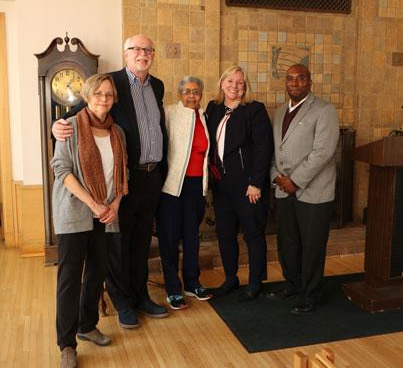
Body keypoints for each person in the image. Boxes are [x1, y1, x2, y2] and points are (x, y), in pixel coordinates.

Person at [52, 35, 169, 329]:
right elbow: (85, 104)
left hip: (151, 176)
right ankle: (122, 301)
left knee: (142, 241)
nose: (142, 54)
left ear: (153, 55)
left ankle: (141, 295)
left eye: (148, 50)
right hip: (122, 178)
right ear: (126, 54)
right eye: (136, 50)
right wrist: (60, 122)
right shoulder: (112, 83)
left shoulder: (157, 85)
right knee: (117, 244)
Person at [50, 73, 128, 367]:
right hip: (76, 211)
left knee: (97, 273)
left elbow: (123, 175)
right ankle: (66, 344)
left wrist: (115, 205)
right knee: (69, 279)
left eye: (108, 94)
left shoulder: (117, 133)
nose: (104, 99)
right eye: (98, 94)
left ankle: (87, 325)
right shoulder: (69, 128)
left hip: (106, 213)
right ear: (87, 96)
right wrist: (94, 204)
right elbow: (62, 170)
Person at [267, 64, 339, 315]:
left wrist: (295, 181)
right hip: (283, 190)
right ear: (285, 83)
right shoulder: (278, 112)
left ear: (309, 81)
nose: (295, 83)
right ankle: (292, 284)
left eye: (300, 78)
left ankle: (310, 294)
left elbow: (324, 152)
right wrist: (277, 177)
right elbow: (275, 151)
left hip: (313, 191)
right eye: (290, 79)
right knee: (288, 242)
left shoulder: (324, 110)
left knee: (312, 245)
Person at [206, 66, 273, 301]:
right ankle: (230, 278)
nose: (235, 86)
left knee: (253, 233)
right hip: (221, 184)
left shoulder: (254, 110)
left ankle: (255, 281)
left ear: (246, 87)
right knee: (225, 233)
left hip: (248, 184)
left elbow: (263, 148)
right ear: (222, 83)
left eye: (240, 83)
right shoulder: (213, 109)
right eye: (230, 81)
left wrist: (256, 182)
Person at [156, 76, 212, 310]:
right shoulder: (169, 113)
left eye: (196, 92)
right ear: (179, 94)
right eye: (187, 91)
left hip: (196, 186)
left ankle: (192, 282)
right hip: (171, 187)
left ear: (201, 95)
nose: (192, 96)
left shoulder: (204, 117)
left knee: (191, 238)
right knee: (169, 240)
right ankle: (172, 288)